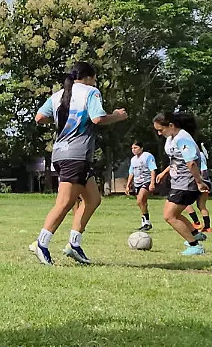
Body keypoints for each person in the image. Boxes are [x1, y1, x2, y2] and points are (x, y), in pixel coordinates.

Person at [29, 62, 127, 265]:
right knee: (64, 203)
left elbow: (39, 118)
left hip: (60, 153)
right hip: (76, 155)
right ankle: (41, 243)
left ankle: (74, 244)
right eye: (96, 77)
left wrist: (61, 122)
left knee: (93, 199)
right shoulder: (91, 92)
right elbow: (98, 118)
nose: (96, 81)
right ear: (89, 77)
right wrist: (117, 116)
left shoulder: (58, 95)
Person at [152, 111, 210, 256]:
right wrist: (165, 173)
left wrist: (199, 182)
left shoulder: (183, 139)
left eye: (161, 130)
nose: (159, 133)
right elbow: (176, 160)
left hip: (187, 183)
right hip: (178, 183)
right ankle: (195, 233)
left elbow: (191, 163)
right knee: (173, 214)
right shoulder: (172, 137)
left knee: (169, 216)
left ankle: (195, 246)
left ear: (171, 125)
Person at [125, 141, 158, 231]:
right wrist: (128, 185)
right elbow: (131, 173)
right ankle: (145, 223)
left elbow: (153, 170)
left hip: (146, 181)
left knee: (140, 201)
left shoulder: (147, 156)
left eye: (135, 148)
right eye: (132, 148)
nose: (133, 150)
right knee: (142, 203)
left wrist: (152, 183)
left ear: (141, 148)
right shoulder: (133, 159)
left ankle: (146, 222)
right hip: (137, 183)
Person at [188, 144, 212, 233]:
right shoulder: (201, 154)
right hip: (207, 182)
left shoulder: (194, 155)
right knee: (201, 205)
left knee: (186, 203)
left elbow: (203, 170)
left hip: (200, 182)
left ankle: (196, 223)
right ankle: (207, 227)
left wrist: (200, 181)